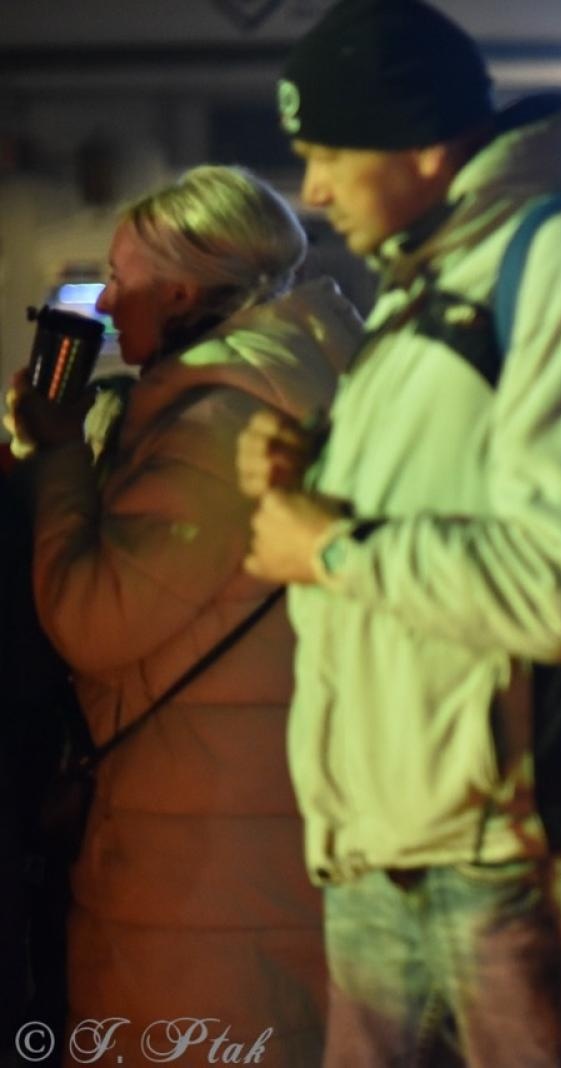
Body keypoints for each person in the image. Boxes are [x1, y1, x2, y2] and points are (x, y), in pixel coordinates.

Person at [238, 0, 561, 1061]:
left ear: (423, 142)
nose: (309, 190)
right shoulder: (430, 276)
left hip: (515, 859)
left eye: (326, 154)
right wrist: (313, 480)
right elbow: (449, 508)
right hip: (385, 843)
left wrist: (329, 548)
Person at [5, 164, 360, 1062]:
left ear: (183, 288)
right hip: (270, 830)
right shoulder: (311, 383)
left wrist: (55, 457)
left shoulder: (216, 424)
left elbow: (95, 617)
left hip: (203, 874)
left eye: (122, 278)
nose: (109, 301)